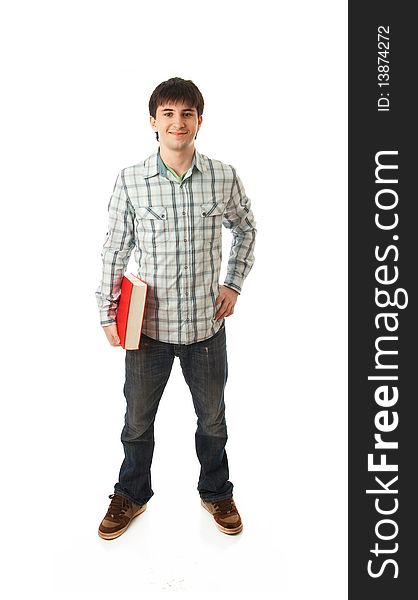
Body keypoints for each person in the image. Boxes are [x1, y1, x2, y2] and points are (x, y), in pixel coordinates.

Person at [95, 77, 257, 540]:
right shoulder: (131, 180)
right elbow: (115, 248)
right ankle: (131, 494)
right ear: (153, 122)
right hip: (148, 330)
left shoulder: (223, 176)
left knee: (212, 418)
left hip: (207, 329)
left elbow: (247, 230)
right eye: (168, 114)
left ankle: (216, 491)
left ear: (199, 121)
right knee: (137, 420)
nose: (177, 122)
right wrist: (107, 311)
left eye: (187, 114)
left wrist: (233, 283)